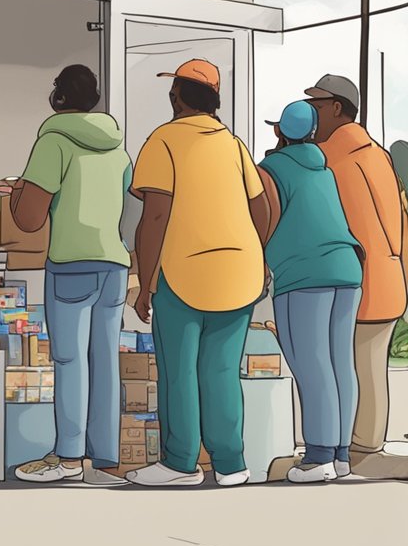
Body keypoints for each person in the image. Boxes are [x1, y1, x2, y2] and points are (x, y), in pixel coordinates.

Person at [128, 59, 271, 488]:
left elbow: (154, 217)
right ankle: (231, 465)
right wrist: (253, 253)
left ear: (177, 97)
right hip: (239, 272)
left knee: (179, 370)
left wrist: (145, 283)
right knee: (222, 372)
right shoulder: (234, 144)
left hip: (184, 273)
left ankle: (180, 463)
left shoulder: (164, 141)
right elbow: (261, 207)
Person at [9, 65, 132, 486]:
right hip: (114, 265)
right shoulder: (118, 148)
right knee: (105, 361)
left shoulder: (55, 141)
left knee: (70, 360)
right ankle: (107, 461)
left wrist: (16, 194)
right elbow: (129, 216)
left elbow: (28, 218)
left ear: (58, 98)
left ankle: (69, 457)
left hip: (70, 264)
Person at [255, 100, 363, 483]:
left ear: (278, 132)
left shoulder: (269, 169)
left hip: (303, 273)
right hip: (347, 269)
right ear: (315, 132)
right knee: (338, 362)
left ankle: (318, 457)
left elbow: (262, 220)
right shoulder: (324, 168)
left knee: (310, 361)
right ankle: (341, 454)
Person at [306, 75, 408, 468]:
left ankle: (356, 448)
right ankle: (366, 443)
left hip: (353, 280)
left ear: (336, 108)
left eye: (317, 106)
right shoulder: (377, 154)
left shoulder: (332, 159)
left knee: (347, 366)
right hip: (389, 276)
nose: (313, 115)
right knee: (370, 366)